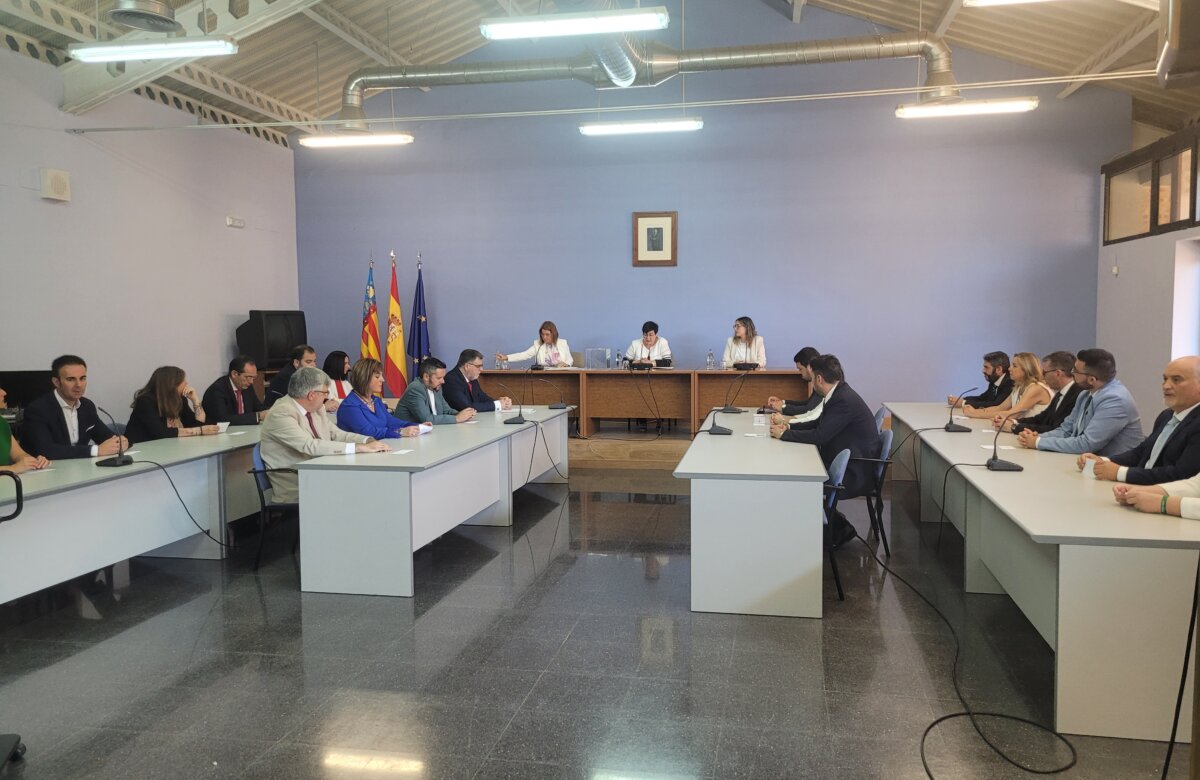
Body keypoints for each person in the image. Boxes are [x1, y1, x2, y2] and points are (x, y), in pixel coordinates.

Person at [770, 354, 880, 546]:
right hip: (850, 460)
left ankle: (837, 528)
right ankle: (824, 526)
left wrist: (785, 435)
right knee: (797, 465)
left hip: (854, 471)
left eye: (812, 378)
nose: (811, 382)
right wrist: (788, 428)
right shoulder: (839, 393)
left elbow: (820, 436)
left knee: (796, 475)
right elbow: (818, 424)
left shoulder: (842, 400)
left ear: (819, 379)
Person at [260, 366, 391, 503]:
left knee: (367, 485)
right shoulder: (281, 413)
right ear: (312, 395)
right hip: (298, 485)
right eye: (325, 393)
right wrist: (358, 448)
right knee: (360, 490)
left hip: (322, 475)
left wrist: (367, 441)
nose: (327, 397)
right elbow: (310, 446)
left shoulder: (316, 408)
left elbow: (337, 434)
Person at [1077, 356, 1200, 484]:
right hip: (1139, 488)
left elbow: (1182, 475)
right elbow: (1141, 453)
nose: (1166, 386)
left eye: (1176, 380)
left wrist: (1119, 473)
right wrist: (1103, 461)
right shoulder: (1166, 416)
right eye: (1165, 379)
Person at [1016, 348, 1142, 456]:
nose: (1071, 374)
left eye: (1075, 371)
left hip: (1114, 468)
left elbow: (1087, 444)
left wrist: (1038, 443)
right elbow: (1066, 430)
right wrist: (1038, 437)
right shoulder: (1085, 394)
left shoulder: (1115, 401)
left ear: (1092, 379)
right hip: (1089, 462)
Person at [22, 354, 127, 459]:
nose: (78, 385)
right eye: (71, 379)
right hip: (49, 467)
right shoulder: (37, 410)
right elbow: (46, 450)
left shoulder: (87, 406)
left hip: (80, 466)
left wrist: (119, 442)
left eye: (82, 378)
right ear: (56, 382)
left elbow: (105, 437)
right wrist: (95, 450)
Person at [125, 366, 220, 443]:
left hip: (168, 448)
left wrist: (195, 400)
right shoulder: (145, 401)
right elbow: (161, 433)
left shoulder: (179, 399)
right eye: (183, 380)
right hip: (142, 450)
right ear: (172, 384)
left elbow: (195, 424)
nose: (186, 383)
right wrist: (200, 430)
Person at [336, 358, 424, 439]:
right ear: (363, 378)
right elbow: (368, 432)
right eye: (377, 377)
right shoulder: (349, 406)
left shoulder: (376, 400)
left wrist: (418, 426)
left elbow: (391, 422)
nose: (382, 380)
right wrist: (400, 432)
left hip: (379, 447)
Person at [1008, 351, 1082, 434]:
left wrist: (1015, 427)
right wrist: (1014, 422)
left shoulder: (1078, 395)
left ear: (1057, 373)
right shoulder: (1060, 394)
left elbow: (1057, 429)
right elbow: (1041, 419)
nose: (1042, 377)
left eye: (1044, 373)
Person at [963, 352, 1051, 420]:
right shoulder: (1018, 386)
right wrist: (975, 411)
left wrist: (975, 414)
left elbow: (1012, 414)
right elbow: (1000, 408)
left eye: (1014, 366)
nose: (1009, 369)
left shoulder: (1036, 388)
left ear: (1026, 369)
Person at [394, 357, 478, 424]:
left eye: (443, 377)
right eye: (439, 378)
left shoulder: (436, 387)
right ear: (426, 377)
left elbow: (446, 410)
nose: (443, 381)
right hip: (407, 434)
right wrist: (457, 418)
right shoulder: (415, 389)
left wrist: (464, 414)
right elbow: (426, 419)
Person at [201, 356, 268, 426]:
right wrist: (258, 416)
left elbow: (258, 408)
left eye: (254, 377)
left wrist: (269, 411)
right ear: (234, 374)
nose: (251, 382)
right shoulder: (217, 389)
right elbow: (222, 419)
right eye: (248, 377)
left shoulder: (246, 386)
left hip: (244, 429)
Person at [0, 386, 51, 474]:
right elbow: (15, 468)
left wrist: (34, 462)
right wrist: (13, 468)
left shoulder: (2, 423)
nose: (4, 393)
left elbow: (18, 454)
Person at [443, 349, 513, 413]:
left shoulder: (472, 378)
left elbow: (482, 397)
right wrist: (497, 404)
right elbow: (466, 407)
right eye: (478, 366)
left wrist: (501, 402)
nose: (481, 369)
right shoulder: (451, 380)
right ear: (467, 366)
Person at [766, 347, 822, 423]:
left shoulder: (821, 384)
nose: (800, 373)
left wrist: (783, 408)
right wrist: (783, 402)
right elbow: (807, 403)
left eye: (800, 369)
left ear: (809, 367)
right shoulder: (817, 383)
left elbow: (808, 409)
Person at [947, 351, 1013, 409]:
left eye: (986, 367)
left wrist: (964, 403)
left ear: (999, 369)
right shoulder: (994, 381)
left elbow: (996, 405)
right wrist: (960, 400)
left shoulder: (1009, 383)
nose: (983, 371)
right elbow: (982, 398)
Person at [496, 322, 573, 368]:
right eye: (542, 334)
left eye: (547, 334)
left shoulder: (563, 343)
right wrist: (507, 357)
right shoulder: (538, 345)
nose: (544, 337)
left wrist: (566, 364)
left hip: (561, 374)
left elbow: (570, 360)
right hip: (543, 376)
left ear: (553, 334)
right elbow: (525, 355)